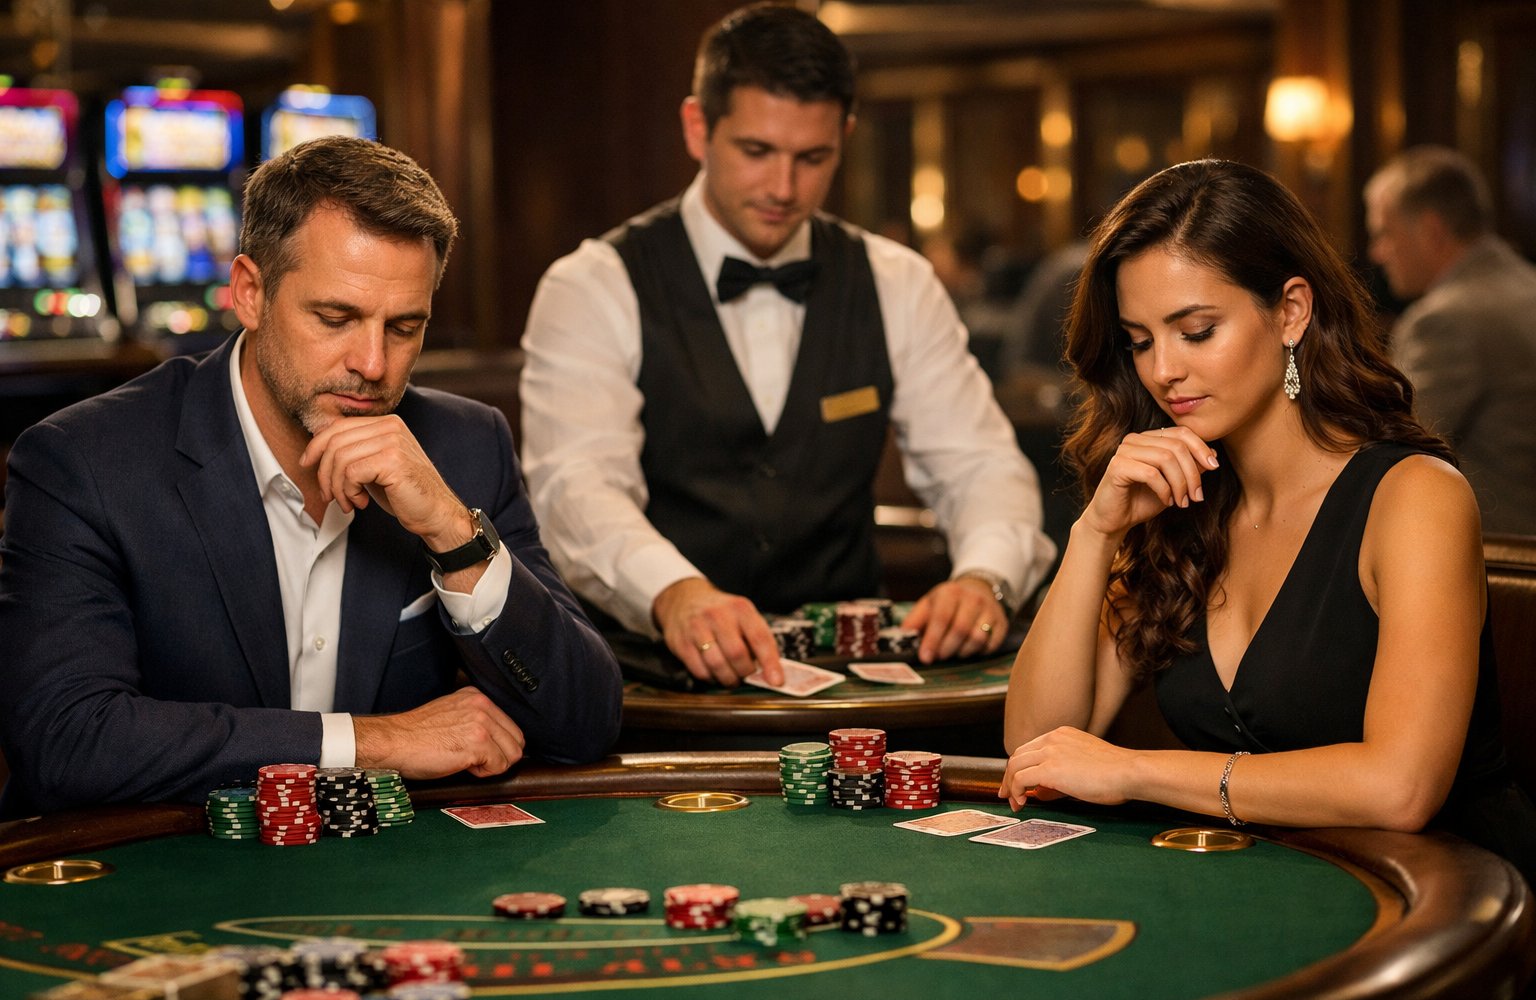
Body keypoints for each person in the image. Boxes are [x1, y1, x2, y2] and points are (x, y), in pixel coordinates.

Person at [0, 136, 623, 816]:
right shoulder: (85, 461)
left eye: (404, 327)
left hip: (383, 867)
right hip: (155, 862)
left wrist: (452, 533)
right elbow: (65, 742)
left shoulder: (465, 445)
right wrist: (375, 742)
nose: (373, 364)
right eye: (336, 318)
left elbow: (585, 723)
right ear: (250, 293)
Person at [998, 159, 1536, 879]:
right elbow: (1037, 746)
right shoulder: (1176, 506)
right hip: (1265, 881)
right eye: (1141, 340)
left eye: (1196, 331)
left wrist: (1134, 771)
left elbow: (1400, 788)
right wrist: (1095, 533)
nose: (1163, 371)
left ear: (1291, 312)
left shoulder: (1414, 497)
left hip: (1440, 895)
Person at [519, 3, 1054, 687]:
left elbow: (979, 464)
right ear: (697, 127)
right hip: (653, 683)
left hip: (848, 682)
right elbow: (576, 486)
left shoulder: (896, 281)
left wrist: (986, 577)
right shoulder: (593, 285)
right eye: (756, 152)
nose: (782, 188)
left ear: (845, 137)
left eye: (812, 158)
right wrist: (674, 591)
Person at [1364, 145, 1536, 535]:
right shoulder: (1524, 283)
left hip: (1497, 552)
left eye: (1384, 233)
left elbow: (1386, 452)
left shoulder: (1446, 321)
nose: (1377, 253)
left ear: (1431, 232)